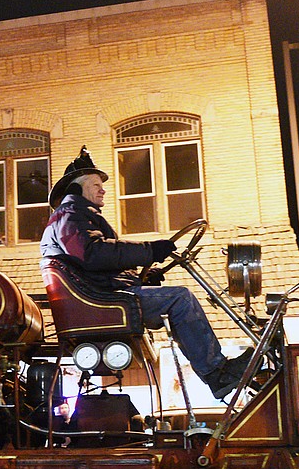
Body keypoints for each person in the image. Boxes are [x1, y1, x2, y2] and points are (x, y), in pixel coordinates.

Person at [40, 147, 252, 400]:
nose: (103, 189)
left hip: (104, 293)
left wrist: (140, 278)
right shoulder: (71, 215)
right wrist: (150, 250)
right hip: (102, 300)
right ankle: (217, 373)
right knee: (180, 299)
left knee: (174, 298)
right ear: (77, 189)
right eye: (96, 184)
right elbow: (94, 254)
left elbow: (97, 264)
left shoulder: (76, 217)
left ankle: (217, 372)